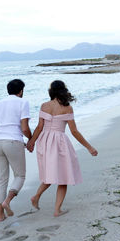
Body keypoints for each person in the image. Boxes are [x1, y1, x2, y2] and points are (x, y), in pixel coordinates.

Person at [27, 80, 98, 217]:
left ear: (51, 91)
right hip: (59, 142)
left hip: (45, 141)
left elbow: (39, 127)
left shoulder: (44, 105)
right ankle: (57, 210)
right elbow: (74, 131)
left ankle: (36, 196)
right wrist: (89, 147)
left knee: (49, 173)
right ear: (64, 91)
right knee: (63, 177)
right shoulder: (67, 107)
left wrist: (31, 142)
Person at [0, 79, 32, 222]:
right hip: (13, 141)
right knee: (20, 176)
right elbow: (24, 128)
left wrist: (0, 138)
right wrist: (30, 140)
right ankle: (7, 201)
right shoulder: (22, 102)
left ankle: (0, 215)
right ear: (21, 91)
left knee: (2, 179)